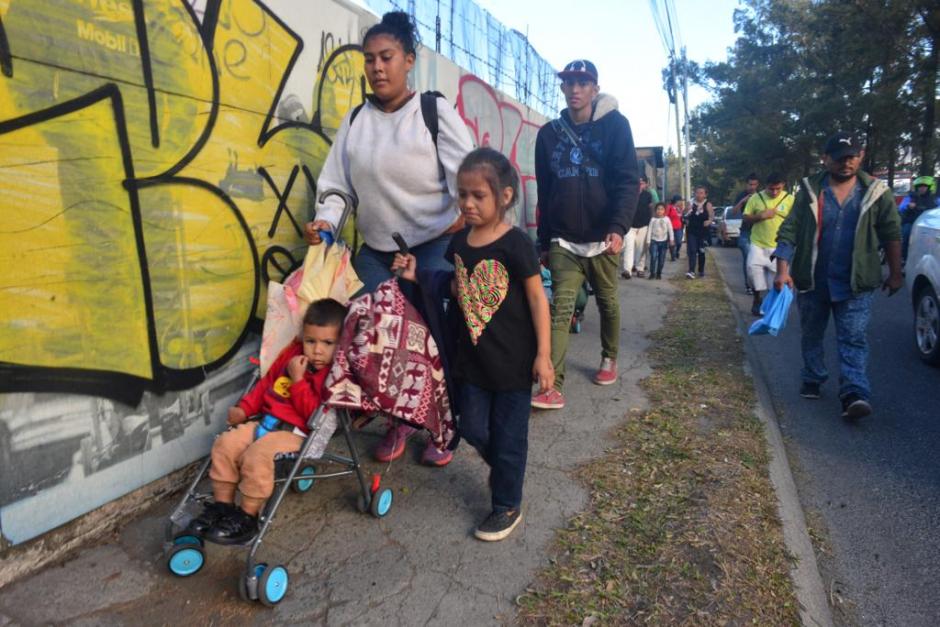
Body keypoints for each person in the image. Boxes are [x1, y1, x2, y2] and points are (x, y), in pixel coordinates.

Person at [304, 11, 473, 466]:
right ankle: (399, 420)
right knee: (377, 340)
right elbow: (336, 186)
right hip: (377, 253)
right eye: (369, 59)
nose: (377, 67)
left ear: (408, 60)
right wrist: (325, 223)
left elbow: (470, 177)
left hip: (433, 246)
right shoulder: (356, 121)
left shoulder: (433, 113)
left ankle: (443, 427)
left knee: (432, 341)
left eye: (387, 57)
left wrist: (464, 216)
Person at [392, 147, 553, 541]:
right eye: (462, 194)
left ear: (505, 196)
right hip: (472, 362)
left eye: (478, 195)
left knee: (509, 438)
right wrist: (417, 275)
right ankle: (506, 469)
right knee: (474, 428)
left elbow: (537, 299)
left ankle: (506, 504)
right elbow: (456, 286)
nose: (467, 203)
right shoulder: (460, 242)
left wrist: (544, 355)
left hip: (514, 364)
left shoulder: (516, 244)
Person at [192, 299, 347, 544]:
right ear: (303, 337)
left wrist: (298, 382)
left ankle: (248, 516)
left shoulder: (335, 375)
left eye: (328, 343)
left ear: (341, 343)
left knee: (257, 455)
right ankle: (222, 507)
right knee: (226, 443)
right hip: (266, 421)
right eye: (311, 341)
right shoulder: (292, 355)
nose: (317, 350)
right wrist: (244, 408)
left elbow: (313, 415)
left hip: (297, 433)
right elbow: (266, 384)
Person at [532, 59, 639, 409]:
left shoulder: (616, 127)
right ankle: (552, 385)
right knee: (561, 309)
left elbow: (627, 181)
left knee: (607, 301)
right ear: (563, 88)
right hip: (563, 240)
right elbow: (545, 192)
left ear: (595, 88)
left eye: (583, 83)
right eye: (569, 83)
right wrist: (544, 240)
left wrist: (618, 227)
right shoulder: (548, 135)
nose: (575, 89)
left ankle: (609, 357)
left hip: (603, 238)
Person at [774, 132, 902, 419]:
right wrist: (782, 271)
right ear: (825, 159)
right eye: (840, 158)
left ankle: (854, 393)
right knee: (811, 334)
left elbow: (891, 233)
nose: (846, 163)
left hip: (856, 282)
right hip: (812, 279)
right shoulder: (810, 190)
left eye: (852, 157)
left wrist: (896, 272)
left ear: (861, 156)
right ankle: (813, 375)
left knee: (853, 338)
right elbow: (790, 229)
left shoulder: (876, 192)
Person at [743, 173, 793, 315]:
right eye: (771, 189)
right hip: (757, 243)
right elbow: (746, 218)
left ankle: (771, 306)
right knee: (752, 270)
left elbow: (796, 222)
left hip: (779, 246)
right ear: (766, 186)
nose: (774, 192)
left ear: (783, 186)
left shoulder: (790, 199)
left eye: (778, 188)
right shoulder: (755, 198)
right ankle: (757, 298)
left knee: (775, 279)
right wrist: (760, 216)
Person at [899, 175, 939, 262]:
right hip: (912, 222)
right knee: (906, 233)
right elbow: (901, 207)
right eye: (919, 186)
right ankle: (903, 256)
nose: (922, 188)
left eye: (924, 186)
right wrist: (908, 206)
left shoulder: (935, 199)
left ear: (930, 187)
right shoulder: (910, 197)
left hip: (929, 224)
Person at [732, 174, 760, 294]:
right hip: (746, 232)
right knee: (748, 258)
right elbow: (734, 211)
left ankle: (757, 284)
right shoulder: (742, 195)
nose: (752, 187)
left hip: (759, 231)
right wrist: (743, 201)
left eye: (754, 184)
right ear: (746, 184)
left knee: (758, 260)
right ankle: (749, 285)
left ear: (757, 185)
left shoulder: (761, 196)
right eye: (750, 184)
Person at [622, 175, 653, 279]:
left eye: (642, 183)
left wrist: (651, 223)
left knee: (641, 248)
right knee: (628, 247)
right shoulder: (629, 194)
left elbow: (651, 209)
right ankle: (627, 270)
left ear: (646, 184)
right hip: (629, 225)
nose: (639, 185)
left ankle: (640, 268)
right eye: (637, 183)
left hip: (643, 225)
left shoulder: (648, 195)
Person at [684, 185, 714, 279]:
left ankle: (701, 270)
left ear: (705, 195)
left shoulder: (707, 204)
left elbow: (711, 217)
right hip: (692, 230)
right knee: (692, 250)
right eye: (697, 193)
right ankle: (691, 271)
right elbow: (684, 215)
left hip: (703, 232)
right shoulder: (690, 203)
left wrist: (708, 221)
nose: (699, 195)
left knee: (701, 251)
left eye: (701, 193)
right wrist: (687, 213)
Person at [645, 202, 674, 279]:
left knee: (661, 258)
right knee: (653, 257)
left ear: (664, 211)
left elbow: (670, 229)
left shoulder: (667, 219)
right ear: (655, 210)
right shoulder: (653, 219)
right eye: (658, 209)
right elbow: (649, 230)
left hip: (663, 241)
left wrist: (671, 239)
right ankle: (652, 273)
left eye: (662, 209)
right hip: (654, 241)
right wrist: (648, 241)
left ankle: (659, 273)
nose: (660, 211)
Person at [666, 195, 683, 261]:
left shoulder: (680, 208)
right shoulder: (669, 207)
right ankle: (673, 255)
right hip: (671, 227)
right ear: (676, 201)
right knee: (672, 242)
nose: (681, 202)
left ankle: (677, 251)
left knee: (679, 242)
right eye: (680, 201)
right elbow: (666, 216)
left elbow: (681, 216)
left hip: (679, 227)